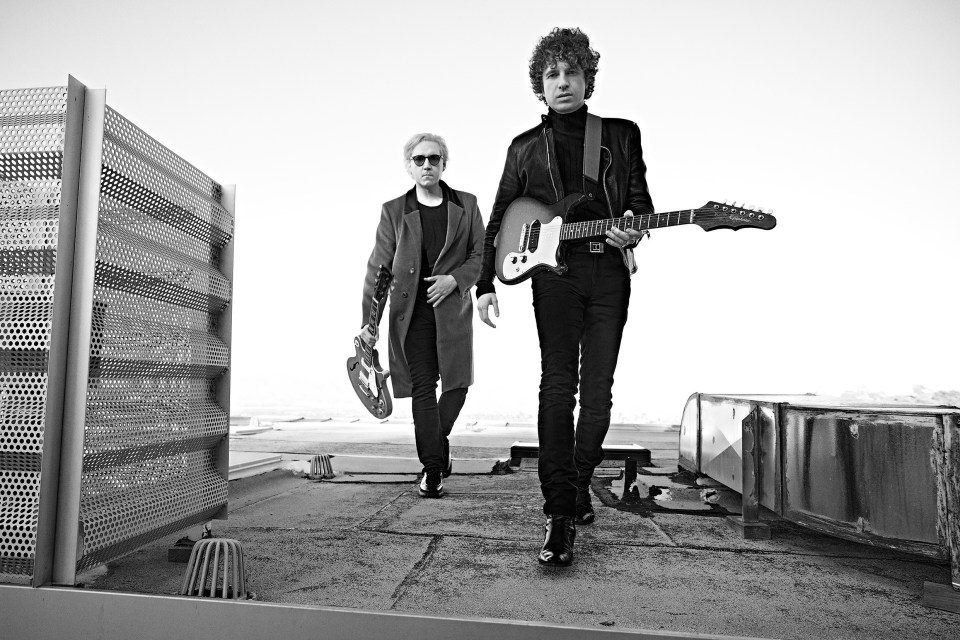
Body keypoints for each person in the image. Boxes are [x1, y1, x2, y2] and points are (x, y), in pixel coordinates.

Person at [476, 28, 654, 566]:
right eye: (551, 74)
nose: (562, 82)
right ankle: (558, 512)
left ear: (587, 78)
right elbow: (500, 219)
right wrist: (486, 283)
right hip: (553, 276)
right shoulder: (524, 147)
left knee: (598, 391)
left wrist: (632, 225)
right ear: (540, 85)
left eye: (571, 72)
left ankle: (577, 485)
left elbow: (640, 199)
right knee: (559, 384)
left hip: (608, 272)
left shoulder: (621, 134)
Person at [361, 133, 485, 499]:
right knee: (422, 388)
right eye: (419, 160)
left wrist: (455, 280)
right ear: (409, 166)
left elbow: (479, 256)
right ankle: (432, 470)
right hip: (410, 315)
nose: (427, 165)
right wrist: (370, 323)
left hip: (452, 312)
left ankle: (436, 442)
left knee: (458, 385)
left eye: (434, 158)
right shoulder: (394, 211)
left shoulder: (467, 204)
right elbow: (378, 270)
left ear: (444, 163)